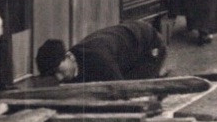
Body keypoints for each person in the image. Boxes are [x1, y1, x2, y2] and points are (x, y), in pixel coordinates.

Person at [35, 20, 166, 83]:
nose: (58, 77)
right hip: (125, 54)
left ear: (68, 56)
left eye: (58, 70)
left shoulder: (98, 59)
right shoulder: (74, 65)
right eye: (53, 74)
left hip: (149, 45)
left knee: (138, 92)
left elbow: (121, 91)